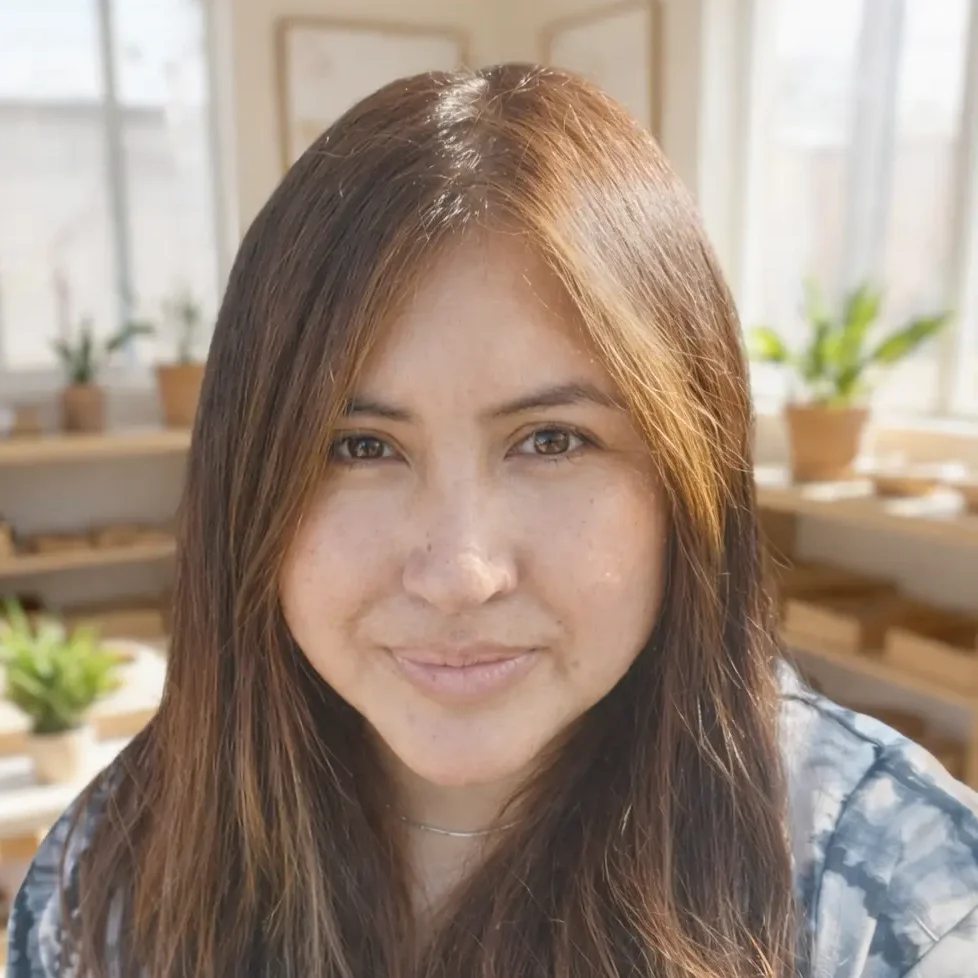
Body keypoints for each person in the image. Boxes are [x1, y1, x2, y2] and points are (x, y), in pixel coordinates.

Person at [7, 63, 978, 978]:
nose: (460, 573)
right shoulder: (106, 882)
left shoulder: (897, 902)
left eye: (552, 440)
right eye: (359, 447)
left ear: (690, 474)